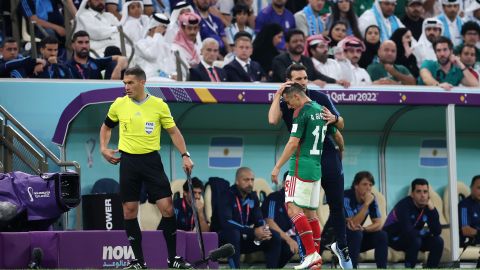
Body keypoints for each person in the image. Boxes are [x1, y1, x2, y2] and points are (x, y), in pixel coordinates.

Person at [99, 66, 194, 269]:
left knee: (167, 208)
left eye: (130, 82)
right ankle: (138, 262)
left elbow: (174, 132)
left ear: (142, 82)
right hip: (128, 162)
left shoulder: (158, 105)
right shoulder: (118, 104)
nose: (126, 86)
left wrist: (185, 155)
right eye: (124, 83)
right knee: (129, 210)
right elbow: (106, 126)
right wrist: (103, 148)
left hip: (151, 161)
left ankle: (173, 259)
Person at [268, 64, 353, 269]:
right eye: (298, 79)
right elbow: (273, 119)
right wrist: (279, 93)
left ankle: (337, 248)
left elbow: (339, 125)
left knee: (326, 206)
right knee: (308, 210)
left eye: (306, 78)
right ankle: (311, 254)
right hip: (310, 160)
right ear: (289, 81)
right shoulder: (289, 101)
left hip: (313, 159)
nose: (304, 82)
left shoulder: (317, 100)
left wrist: (335, 119)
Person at [271, 83, 329, 270]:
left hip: (299, 167)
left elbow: (293, 142)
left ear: (296, 96)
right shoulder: (322, 110)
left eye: (288, 102)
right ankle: (316, 259)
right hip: (315, 168)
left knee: (292, 209)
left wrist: (277, 167)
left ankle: (311, 254)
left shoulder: (301, 112)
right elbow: (336, 133)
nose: (288, 107)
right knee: (311, 214)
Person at [213, 167, 283, 269]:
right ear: (237, 181)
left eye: (252, 180)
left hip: (243, 238)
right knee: (234, 233)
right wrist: (252, 231)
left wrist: (264, 231)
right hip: (223, 241)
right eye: (246, 180)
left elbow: (259, 219)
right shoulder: (226, 195)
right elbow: (227, 222)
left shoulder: (253, 196)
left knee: (274, 236)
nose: (250, 183)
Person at [270, 29, 349, 88]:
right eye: (295, 41)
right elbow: (286, 78)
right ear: (287, 45)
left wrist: (337, 81)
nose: (299, 43)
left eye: (301, 41)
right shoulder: (279, 60)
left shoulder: (307, 60)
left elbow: (318, 76)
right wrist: (311, 83)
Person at [344, 171, 388, 268]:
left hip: (357, 237)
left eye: (370, 185)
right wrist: (366, 204)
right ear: (356, 185)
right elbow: (353, 224)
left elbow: (378, 224)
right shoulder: (346, 197)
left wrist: (365, 229)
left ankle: (382, 268)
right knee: (356, 233)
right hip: (341, 239)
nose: (368, 188)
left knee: (382, 235)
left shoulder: (371, 198)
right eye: (364, 184)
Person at [261, 171, 299, 268]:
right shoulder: (274, 198)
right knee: (277, 238)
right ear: (284, 184)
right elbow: (269, 222)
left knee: (297, 242)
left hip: (288, 236)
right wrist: (289, 240)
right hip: (270, 236)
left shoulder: (297, 202)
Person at [134, 13, 177, 80]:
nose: (164, 31)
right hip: (148, 79)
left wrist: (173, 75)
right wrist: (157, 34)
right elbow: (152, 56)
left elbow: (171, 67)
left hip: (166, 79)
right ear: (152, 27)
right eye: (162, 28)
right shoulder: (140, 44)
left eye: (165, 28)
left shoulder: (165, 46)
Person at [171, 12, 202, 80]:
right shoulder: (175, 49)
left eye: (195, 28)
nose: (193, 32)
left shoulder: (198, 46)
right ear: (182, 29)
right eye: (189, 28)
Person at [458, 175, 480, 264]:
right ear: (471, 188)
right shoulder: (464, 205)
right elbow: (465, 230)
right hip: (471, 242)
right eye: (479, 188)